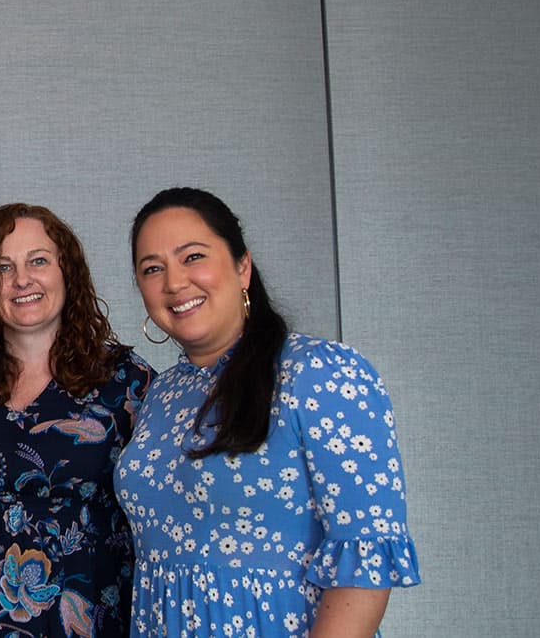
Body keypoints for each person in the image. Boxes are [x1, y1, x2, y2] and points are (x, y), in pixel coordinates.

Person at [117, 188, 420, 637]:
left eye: (193, 256)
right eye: (152, 268)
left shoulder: (317, 372)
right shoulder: (160, 394)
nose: (174, 282)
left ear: (242, 266)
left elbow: (365, 556)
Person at [0, 204, 154, 638]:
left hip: (87, 621)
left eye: (38, 260)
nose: (22, 279)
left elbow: (170, 512)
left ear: (66, 271)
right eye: (3, 267)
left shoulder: (127, 383)